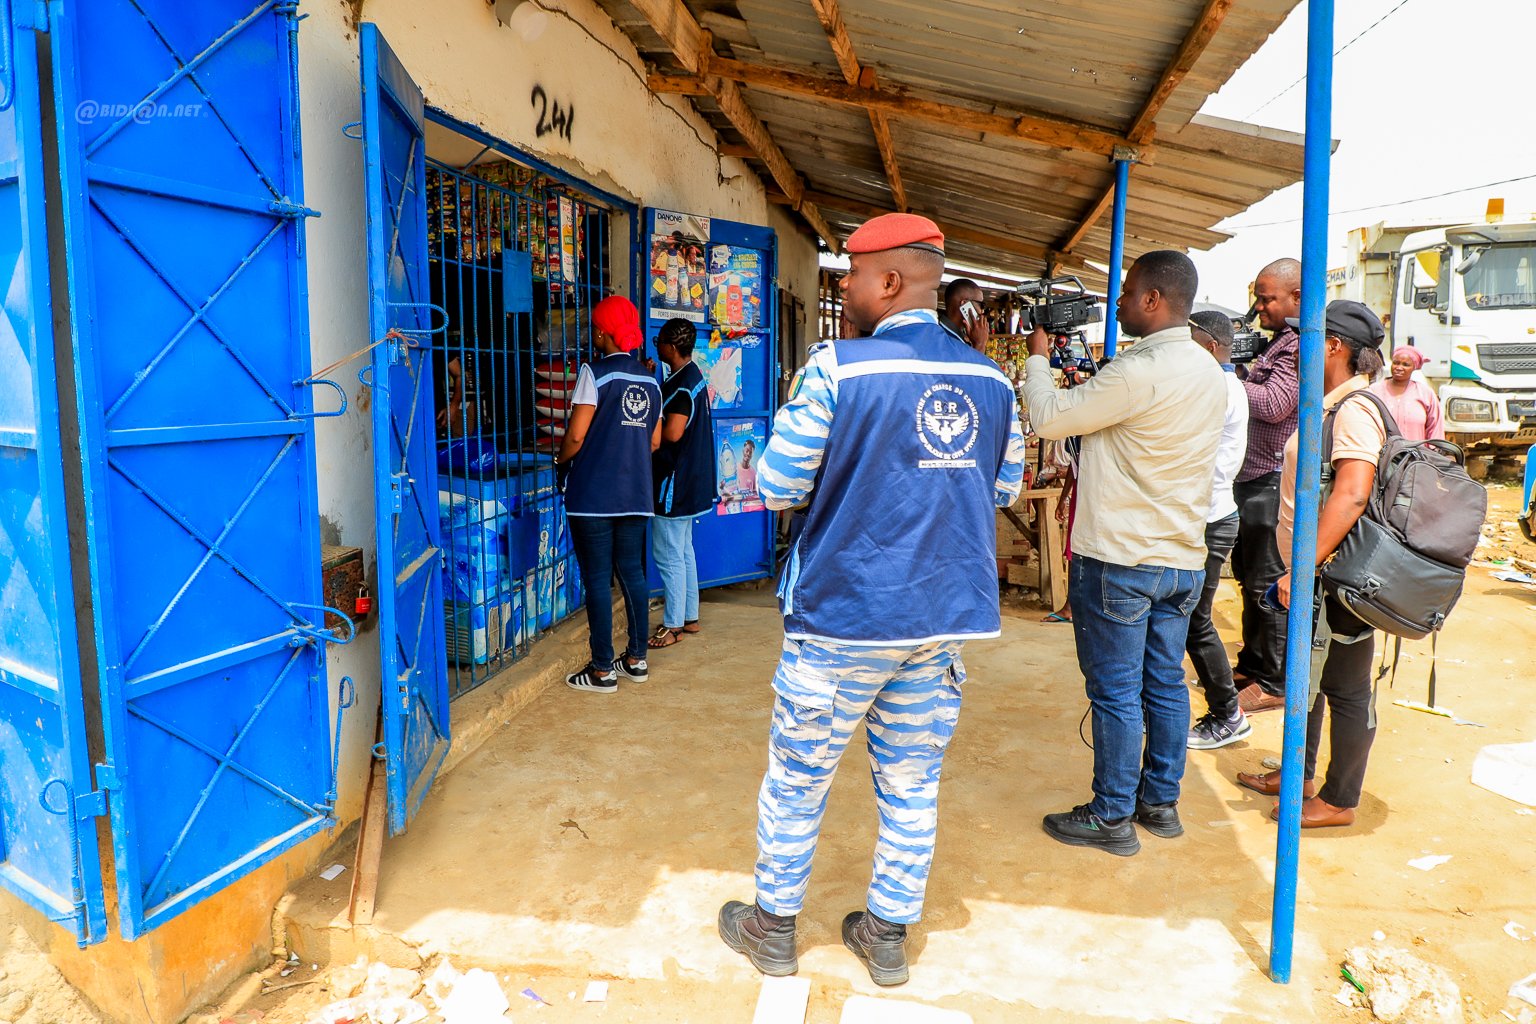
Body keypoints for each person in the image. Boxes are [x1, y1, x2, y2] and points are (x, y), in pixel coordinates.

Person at [717, 213, 1025, 987]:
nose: (846, 290)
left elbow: (780, 485)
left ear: (888, 281)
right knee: (912, 784)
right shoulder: (992, 382)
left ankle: (774, 928)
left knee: (798, 778)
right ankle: (887, 936)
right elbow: (1005, 486)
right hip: (940, 620)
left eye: (851, 276)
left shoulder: (836, 368)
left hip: (843, 619)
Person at [1021, 250, 1225, 857]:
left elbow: (1049, 418)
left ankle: (1110, 814)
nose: (1118, 303)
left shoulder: (1139, 371)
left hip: (1121, 558)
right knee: (1164, 683)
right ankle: (1159, 805)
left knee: (1114, 691)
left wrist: (1037, 355)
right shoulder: (1208, 370)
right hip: (1182, 558)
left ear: (1155, 300)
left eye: (1128, 292)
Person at [1236, 300, 1387, 828]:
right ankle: (1299, 772)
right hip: (1320, 573)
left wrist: (1301, 570)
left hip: (1337, 576)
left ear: (1333, 347)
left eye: (1308, 339)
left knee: (1345, 687)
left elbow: (1350, 495)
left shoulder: (1354, 410)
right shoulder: (1328, 404)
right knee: (1310, 677)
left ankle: (1340, 799)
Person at [557, 296, 662, 693]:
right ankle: (636, 660)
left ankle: (602, 670)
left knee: (598, 580)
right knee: (632, 573)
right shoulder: (650, 379)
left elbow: (576, 435)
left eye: (594, 330)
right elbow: (653, 441)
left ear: (601, 333)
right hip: (636, 493)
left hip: (594, 497)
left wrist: (559, 460)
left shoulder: (594, 374)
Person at [1232, 258, 1303, 715]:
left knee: (1269, 581)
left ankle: (1275, 681)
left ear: (1297, 298)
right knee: (1248, 578)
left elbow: (1276, 404)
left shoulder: (1298, 346)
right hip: (1253, 475)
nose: (1259, 307)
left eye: (1267, 298)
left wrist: (1227, 378)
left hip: (1273, 479)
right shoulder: (1277, 342)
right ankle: (1253, 663)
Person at [1185, 311, 1252, 749]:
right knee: (1185, 618)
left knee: (1195, 621)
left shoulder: (1218, 389)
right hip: (1206, 515)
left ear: (1210, 346)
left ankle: (1228, 713)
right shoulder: (1221, 385)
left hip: (1208, 519)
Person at [648, 319, 715, 650]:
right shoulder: (691, 375)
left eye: (659, 341)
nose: (655, 345)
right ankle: (690, 617)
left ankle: (672, 625)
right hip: (693, 481)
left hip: (674, 484)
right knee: (683, 550)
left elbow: (672, 434)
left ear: (671, 348)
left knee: (668, 554)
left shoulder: (682, 386)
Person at [1370, 346, 1443, 441]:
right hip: (1380, 454)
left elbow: (1435, 431)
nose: (1399, 368)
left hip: (1416, 454)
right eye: (1396, 363)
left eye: (1406, 364)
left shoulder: (1425, 394)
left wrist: (1435, 452)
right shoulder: (1374, 391)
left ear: (1414, 367)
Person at [943, 277, 990, 352]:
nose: (981, 311)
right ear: (964, 304)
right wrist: (980, 344)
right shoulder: (946, 339)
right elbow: (973, 364)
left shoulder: (944, 332)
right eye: (981, 305)